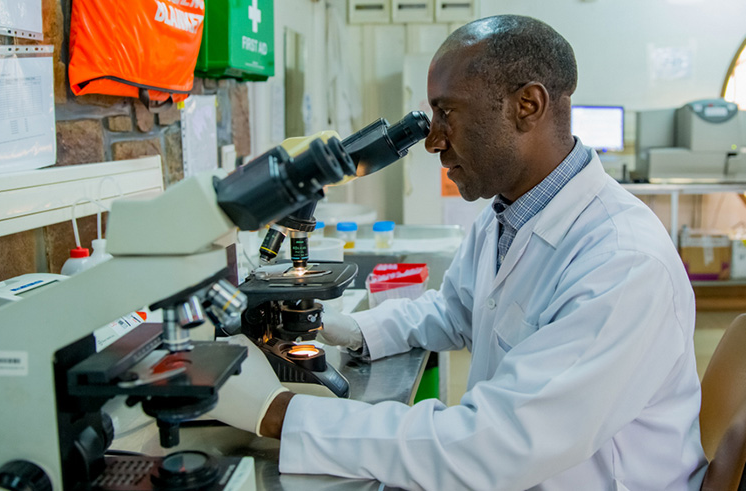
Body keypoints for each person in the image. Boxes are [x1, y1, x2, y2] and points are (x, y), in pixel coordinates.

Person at [208, 15, 707, 490]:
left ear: (527, 106)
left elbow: (495, 445)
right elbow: (456, 310)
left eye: (447, 113)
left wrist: (277, 410)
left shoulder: (622, 264)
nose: (432, 140)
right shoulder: (509, 213)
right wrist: (346, 329)